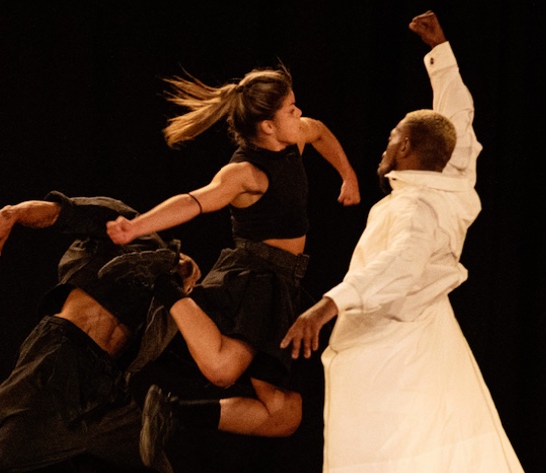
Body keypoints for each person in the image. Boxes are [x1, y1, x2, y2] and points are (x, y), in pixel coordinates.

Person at [280, 11, 524, 472]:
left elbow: (400, 263)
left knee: (391, 451)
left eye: (393, 138)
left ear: (407, 148)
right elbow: (457, 123)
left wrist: (327, 304)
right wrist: (441, 53)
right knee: (439, 442)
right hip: (430, 337)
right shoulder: (450, 181)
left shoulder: (416, 208)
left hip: (395, 349)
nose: (385, 146)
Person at [106, 61, 360, 472]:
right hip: (254, 278)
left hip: (286, 281)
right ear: (267, 127)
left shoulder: (294, 138)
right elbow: (194, 200)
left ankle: (174, 413)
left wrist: (347, 174)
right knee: (223, 370)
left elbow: (321, 131)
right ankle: (161, 280)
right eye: (290, 109)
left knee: (284, 416)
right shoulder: (245, 172)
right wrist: (137, 226)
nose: (299, 114)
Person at [0, 190, 201, 472]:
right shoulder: (127, 225)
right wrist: (11, 213)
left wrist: (183, 280)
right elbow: (58, 212)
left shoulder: (168, 300)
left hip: (110, 391)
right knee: (6, 460)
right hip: (64, 357)